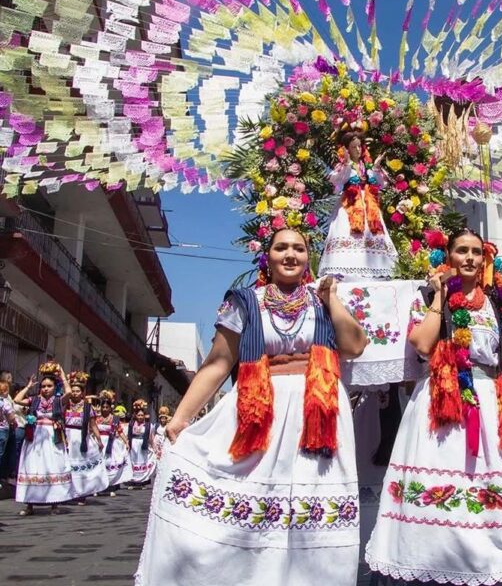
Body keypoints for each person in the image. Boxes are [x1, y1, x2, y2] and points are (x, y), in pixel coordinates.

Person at [136, 228, 368, 586]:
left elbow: (354, 346)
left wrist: (333, 298)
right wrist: (181, 419)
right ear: (268, 256)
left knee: (315, 509)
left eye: (299, 248)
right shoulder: (245, 301)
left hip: (318, 414)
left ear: (309, 257)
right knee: (256, 501)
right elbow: (217, 363)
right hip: (261, 410)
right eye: (281, 248)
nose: (290, 255)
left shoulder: (321, 299)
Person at [365, 228, 502, 585]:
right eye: (462, 250)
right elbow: (421, 343)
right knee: (448, 488)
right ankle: (436, 566)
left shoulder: (496, 304)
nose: (470, 258)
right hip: (443, 404)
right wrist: (439, 296)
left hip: (492, 401)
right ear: (448, 256)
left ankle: (491, 566)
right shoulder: (430, 296)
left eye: (476, 252)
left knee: (491, 495)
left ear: (485, 258)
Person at [317, 131, 399, 280]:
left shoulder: (366, 165)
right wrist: (348, 165)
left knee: (374, 235)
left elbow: (381, 183)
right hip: (350, 203)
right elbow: (337, 181)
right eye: (353, 147)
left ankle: (376, 271)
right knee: (347, 233)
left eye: (359, 146)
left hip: (369, 204)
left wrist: (375, 168)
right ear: (347, 149)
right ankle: (345, 270)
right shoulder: (343, 166)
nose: (357, 150)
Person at [14, 363, 73, 515]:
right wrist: (28, 387)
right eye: (44, 386)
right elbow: (16, 400)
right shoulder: (34, 400)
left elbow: (69, 392)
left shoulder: (58, 401)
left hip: (52, 437)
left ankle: (54, 504)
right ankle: (29, 505)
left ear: (55, 387)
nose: (46, 388)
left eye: (49, 386)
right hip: (34, 437)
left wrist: (63, 376)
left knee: (53, 466)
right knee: (32, 466)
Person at [63, 371, 109, 503]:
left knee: (80, 467)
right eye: (73, 391)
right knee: (66, 466)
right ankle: (67, 492)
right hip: (67, 437)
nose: (75, 393)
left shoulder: (88, 408)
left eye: (78, 391)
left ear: (82, 392)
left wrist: (99, 441)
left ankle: (80, 493)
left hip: (81, 438)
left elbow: (93, 426)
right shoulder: (65, 405)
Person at [96, 394, 132, 494]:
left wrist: (126, 441)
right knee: (99, 464)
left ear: (110, 408)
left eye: (107, 407)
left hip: (110, 444)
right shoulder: (96, 418)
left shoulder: (114, 419)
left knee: (109, 463)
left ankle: (110, 486)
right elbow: (92, 430)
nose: (105, 409)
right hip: (98, 443)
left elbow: (120, 431)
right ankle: (98, 487)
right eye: (103, 407)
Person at [127, 401, 156, 487]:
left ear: (144, 416)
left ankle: (142, 480)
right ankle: (133, 479)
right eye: (138, 415)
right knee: (133, 461)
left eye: (142, 415)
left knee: (142, 461)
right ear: (136, 416)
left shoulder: (148, 425)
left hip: (143, 445)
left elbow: (150, 437)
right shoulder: (132, 424)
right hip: (134, 444)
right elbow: (129, 435)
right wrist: (127, 444)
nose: (140, 417)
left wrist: (154, 447)